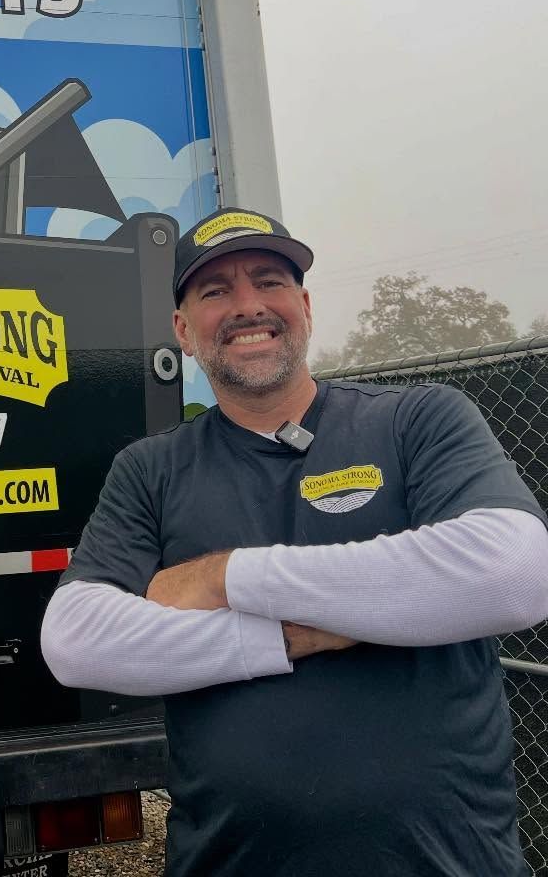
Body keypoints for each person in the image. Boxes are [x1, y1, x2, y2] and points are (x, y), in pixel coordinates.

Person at [40, 207, 548, 876]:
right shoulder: (151, 469)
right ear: (183, 331)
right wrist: (283, 636)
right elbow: (76, 640)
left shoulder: (418, 420)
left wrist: (225, 580)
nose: (248, 305)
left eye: (270, 281)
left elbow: (513, 574)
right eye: (215, 291)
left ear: (304, 306)